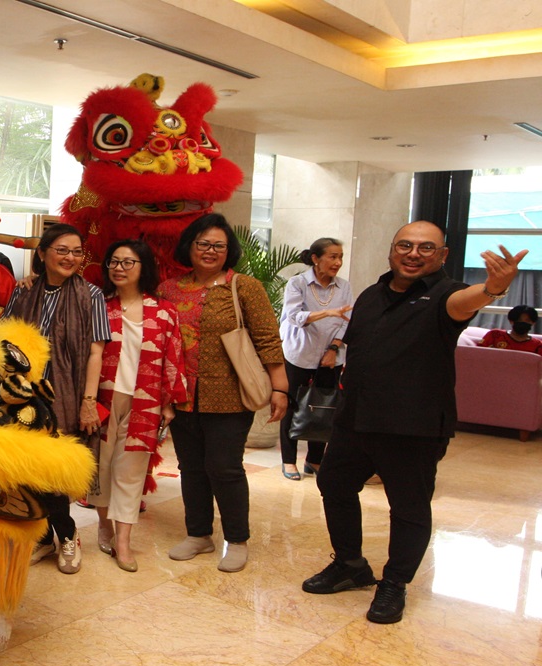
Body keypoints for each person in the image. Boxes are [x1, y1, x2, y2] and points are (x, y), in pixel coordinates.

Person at [303, 221, 526, 624]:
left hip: (414, 425)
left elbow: (468, 302)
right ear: (392, 250)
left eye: (426, 248)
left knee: (407, 507)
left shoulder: (446, 294)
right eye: (405, 245)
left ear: (441, 256)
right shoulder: (371, 294)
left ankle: (395, 583)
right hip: (357, 419)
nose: (413, 253)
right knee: (333, 483)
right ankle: (351, 565)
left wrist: (493, 288)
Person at [157, 213, 288, 573]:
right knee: (190, 468)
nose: (210, 250)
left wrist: (280, 387)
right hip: (182, 396)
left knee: (225, 468)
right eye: (203, 243)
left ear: (228, 251)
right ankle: (199, 534)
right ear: (190, 246)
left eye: (219, 245)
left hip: (230, 396)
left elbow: (266, 338)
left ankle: (238, 539)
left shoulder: (243, 287)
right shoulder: (169, 289)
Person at [5, 223, 111, 574]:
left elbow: (96, 353)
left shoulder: (91, 295)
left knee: (55, 467)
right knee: (28, 469)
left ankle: (66, 535)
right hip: (21, 396)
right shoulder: (23, 291)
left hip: (64, 395)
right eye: (62, 250)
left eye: (77, 252)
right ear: (42, 254)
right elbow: (2, 340)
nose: (70, 258)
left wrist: (88, 400)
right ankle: (43, 536)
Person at [88, 239, 187, 572]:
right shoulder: (99, 306)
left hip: (145, 400)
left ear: (144, 268)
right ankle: (103, 524)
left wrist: (169, 403)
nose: (119, 268)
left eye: (128, 262)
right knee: (99, 467)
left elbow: (174, 357)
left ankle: (124, 542)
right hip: (103, 397)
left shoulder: (163, 311)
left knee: (131, 471)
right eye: (114, 261)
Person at [278, 238, 354, 480]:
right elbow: (294, 317)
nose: (338, 262)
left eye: (340, 256)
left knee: (324, 406)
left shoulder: (344, 286)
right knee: (291, 407)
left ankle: (314, 460)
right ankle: (289, 461)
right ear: (315, 258)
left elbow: (346, 322)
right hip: (298, 354)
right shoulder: (297, 283)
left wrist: (333, 349)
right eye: (332, 256)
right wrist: (326, 312)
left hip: (331, 357)